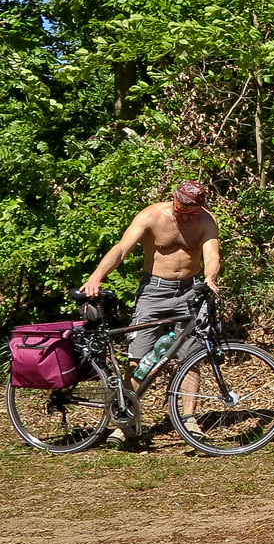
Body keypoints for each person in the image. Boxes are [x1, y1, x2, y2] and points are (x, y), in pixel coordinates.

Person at [81, 182, 222, 441]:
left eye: (193, 210)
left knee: (190, 357)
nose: (186, 214)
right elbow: (122, 249)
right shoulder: (152, 215)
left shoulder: (205, 220)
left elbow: (211, 253)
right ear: (174, 199)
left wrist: (210, 278)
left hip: (190, 290)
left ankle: (189, 419)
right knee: (138, 357)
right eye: (183, 208)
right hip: (153, 291)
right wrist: (97, 277)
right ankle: (125, 421)